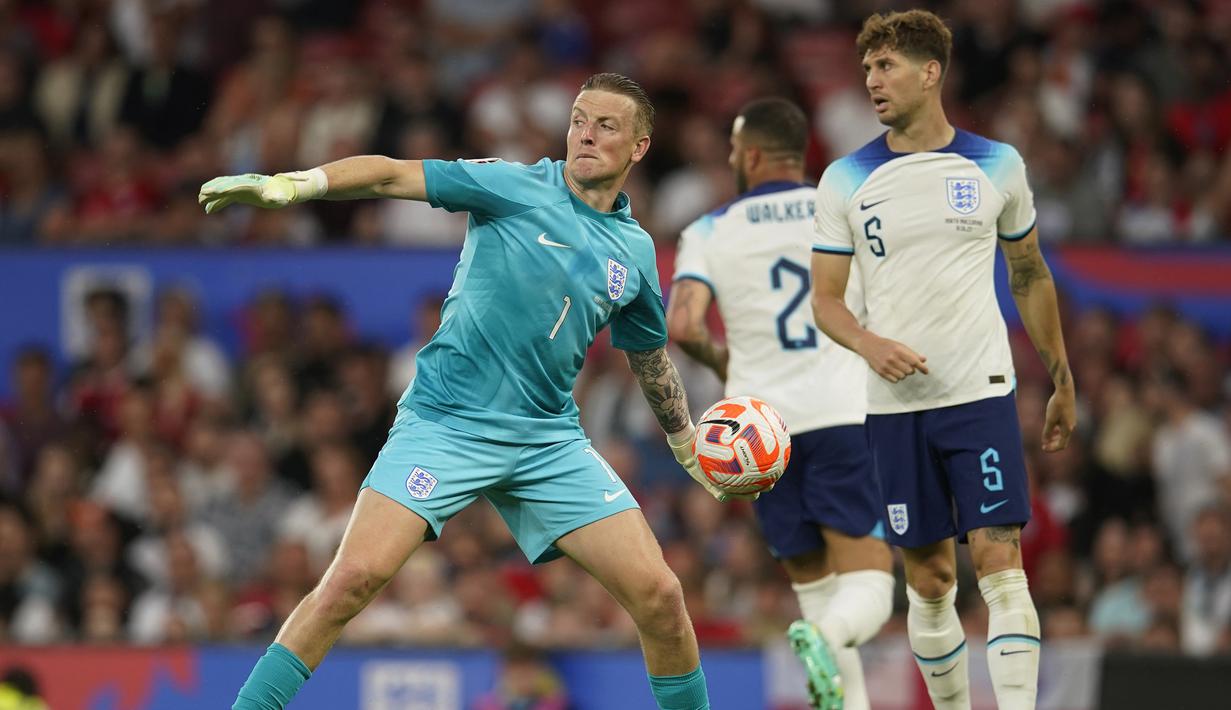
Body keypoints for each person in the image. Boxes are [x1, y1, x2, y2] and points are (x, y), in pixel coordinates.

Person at [199, 72, 744, 710]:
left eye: (606, 126)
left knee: (661, 597)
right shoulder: (513, 185)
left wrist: (684, 444)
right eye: (578, 120)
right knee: (352, 580)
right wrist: (296, 185)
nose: (585, 135)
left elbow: (648, 355)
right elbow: (391, 175)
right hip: (444, 423)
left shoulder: (634, 250)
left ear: (639, 147)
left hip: (547, 440)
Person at [809, 11, 1077, 710]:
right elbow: (826, 303)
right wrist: (869, 344)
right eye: (866, 69)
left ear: (930, 73)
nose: (871, 81)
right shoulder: (844, 178)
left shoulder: (995, 164)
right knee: (929, 581)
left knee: (999, 562)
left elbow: (1029, 273)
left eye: (886, 66)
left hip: (979, 393)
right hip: (893, 407)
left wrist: (1061, 377)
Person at [667, 97, 893, 710]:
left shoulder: (710, 229)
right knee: (870, 583)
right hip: (844, 411)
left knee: (817, 590)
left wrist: (724, 363)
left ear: (755, 154)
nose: (733, 160)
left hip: (760, 435)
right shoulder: (842, 206)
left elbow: (683, 324)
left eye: (735, 151)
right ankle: (824, 638)